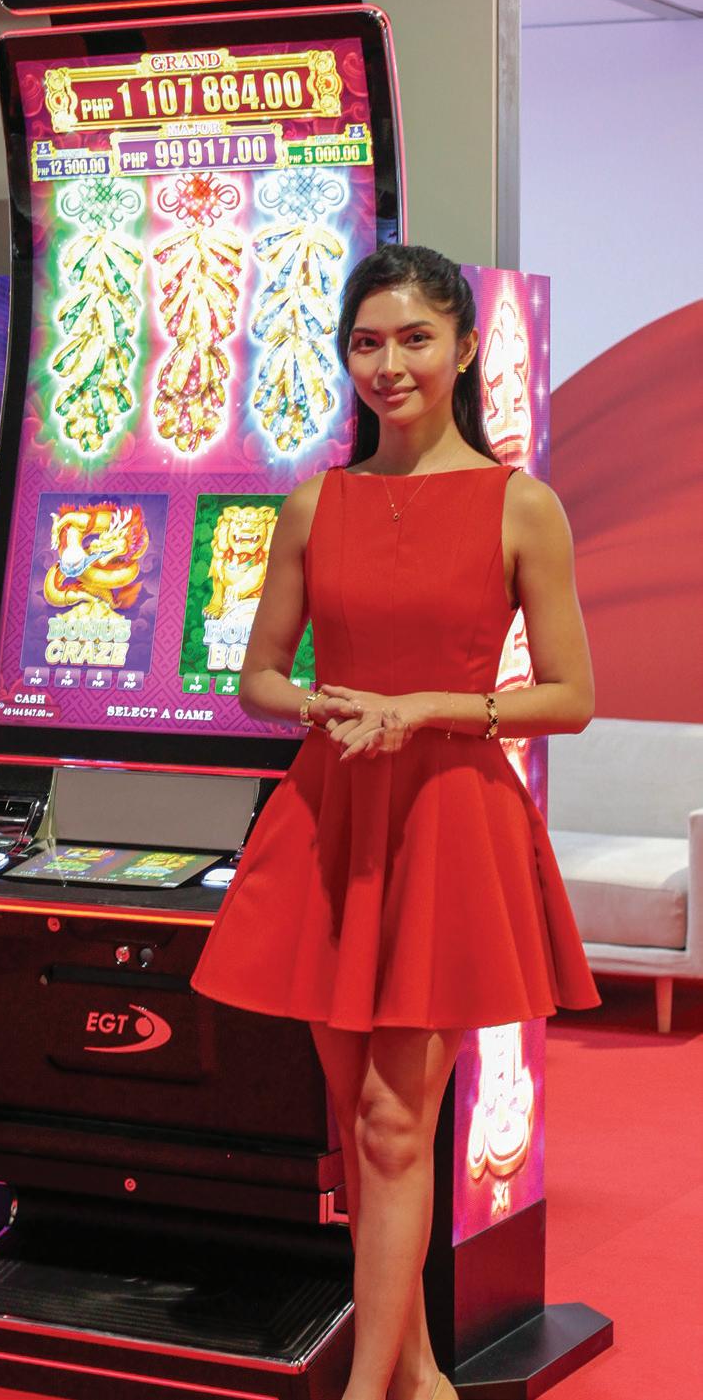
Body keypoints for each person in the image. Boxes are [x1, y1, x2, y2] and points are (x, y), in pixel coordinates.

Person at [191, 244, 599, 1400]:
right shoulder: (314, 500)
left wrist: (431, 707)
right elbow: (258, 677)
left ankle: (367, 1388)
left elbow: (569, 694)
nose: (389, 363)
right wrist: (319, 703)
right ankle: (415, 1374)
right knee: (366, 1124)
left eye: (414, 338)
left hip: (448, 819)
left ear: (462, 348)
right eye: (366, 341)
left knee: (390, 1116)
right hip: (331, 814)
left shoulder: (521, 504)